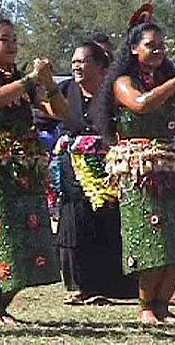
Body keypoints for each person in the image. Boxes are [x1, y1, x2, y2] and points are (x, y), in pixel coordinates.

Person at [0, 2, 68, 324]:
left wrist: (46, 82)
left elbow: (60, 112)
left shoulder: (21, 79)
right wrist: (30, 80)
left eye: (16, 40)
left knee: (29, 231)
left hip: (21, 167)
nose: (13, 46)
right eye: (5, 40)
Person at [95, 17, 175, 324]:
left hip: (170, 165)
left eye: (162, 46)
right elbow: (141, 104)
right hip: (137, 167)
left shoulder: (167, 79)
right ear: (134, 49)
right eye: (150, 45)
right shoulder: (123, 82)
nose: (158, 50)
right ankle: (146, 306)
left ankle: (162, 304)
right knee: (150, 239)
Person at [49, 42, 137, 305]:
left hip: (108, 167)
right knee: (75, 219)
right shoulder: (65, 90)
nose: (76, 66)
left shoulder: (115, 92)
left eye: (83, 61)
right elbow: (47, 115)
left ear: (100, 66)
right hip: (72, 168)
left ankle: (114, 284)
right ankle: (81, 285)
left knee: (109, 220)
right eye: (74, 61)